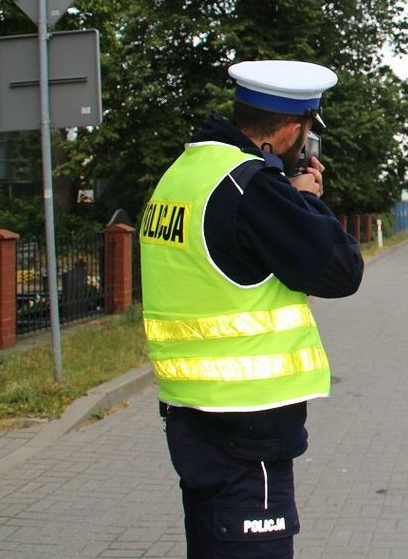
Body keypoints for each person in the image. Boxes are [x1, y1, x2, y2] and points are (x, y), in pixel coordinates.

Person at [139, 59, 364, 558]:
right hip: (249, 428)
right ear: (288, 131)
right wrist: (302, 201)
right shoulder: (253, 186)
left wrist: (285, 193)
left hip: (190, 415)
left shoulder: (184, 172)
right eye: (305, 134)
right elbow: (342, 271)